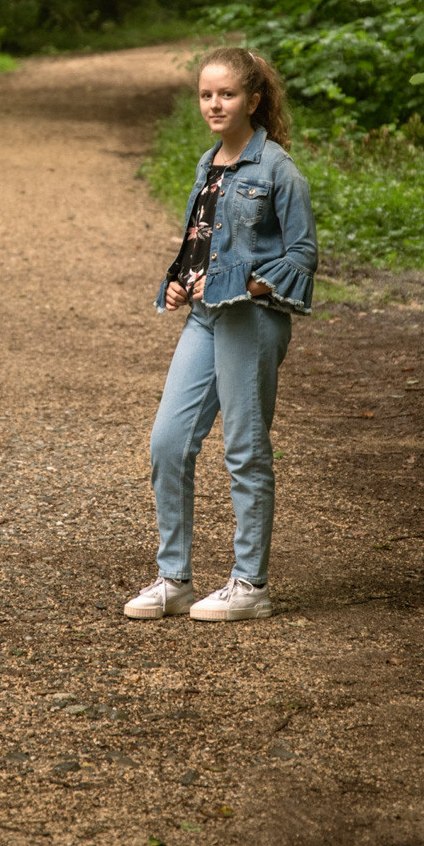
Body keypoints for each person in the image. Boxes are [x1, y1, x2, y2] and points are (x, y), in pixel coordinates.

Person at [125, 47, 317, 623]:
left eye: (227, 94)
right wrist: (179, 281)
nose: (214, 104)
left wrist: (243, 285)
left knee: (244, 450)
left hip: (251, 321)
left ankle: (250, 584)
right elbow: (201, 242)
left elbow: (302, 256)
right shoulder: (208, 162)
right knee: (167, 442)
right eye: (206, 94)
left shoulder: (278, 169)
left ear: (253, 101)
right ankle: (174, 580)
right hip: (204, 318)